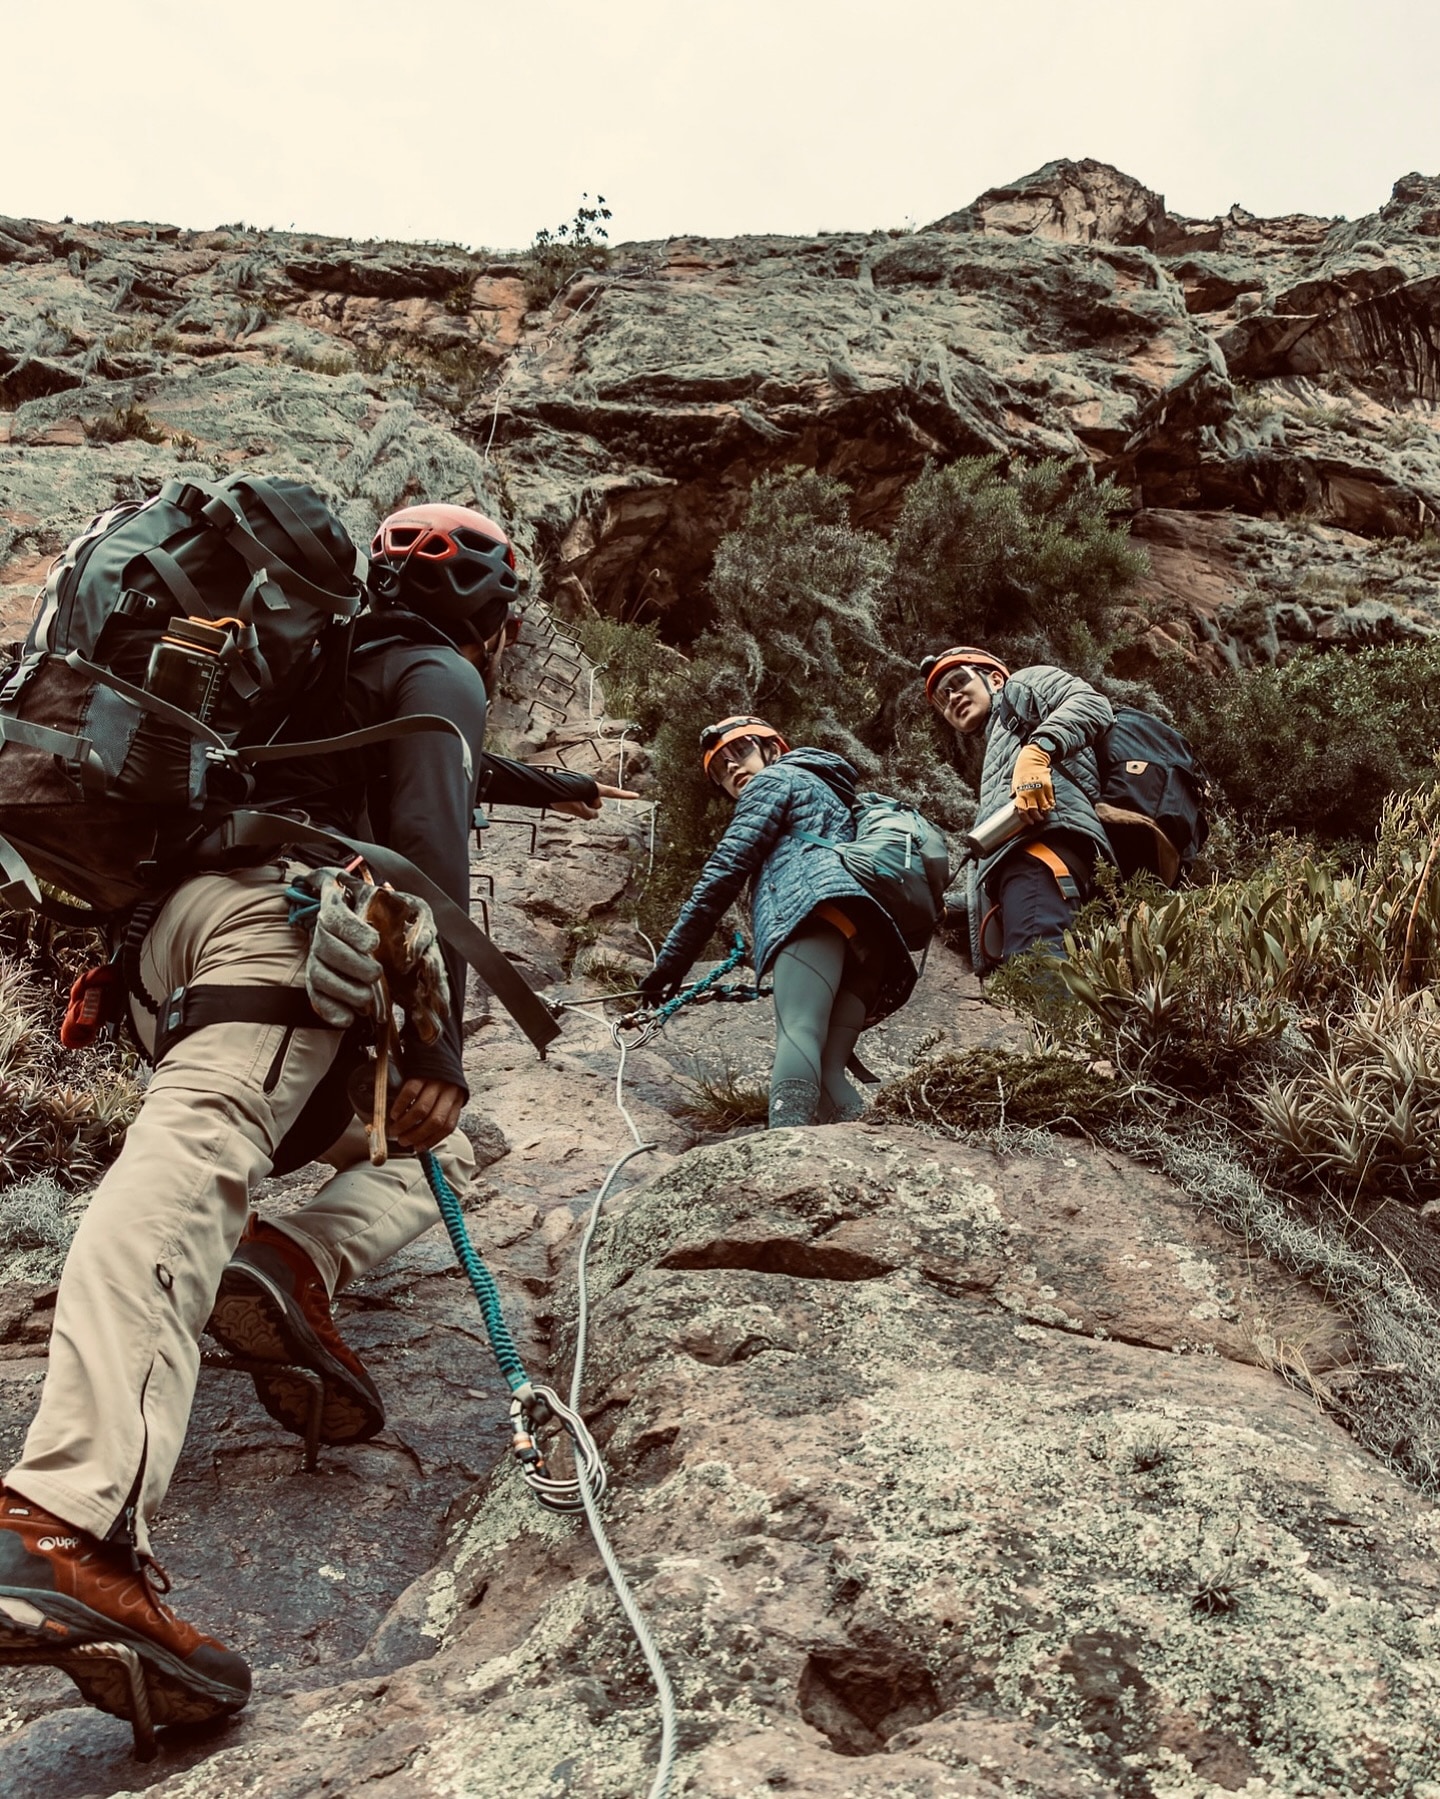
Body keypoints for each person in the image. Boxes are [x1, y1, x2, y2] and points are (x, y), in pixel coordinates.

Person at [0, 501, 628, 1735]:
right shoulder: (440, 668)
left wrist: (557, 785)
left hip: (162, 953)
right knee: (236, 1152)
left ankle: (288, 1259)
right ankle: (66, 1520)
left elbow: (410, 761)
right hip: (285, 928)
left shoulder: (303, 669)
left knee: (393, 1137)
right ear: (496, 620)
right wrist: (435, 1036)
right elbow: (428, 855)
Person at [637, 716, 916, 1128]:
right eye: (721, 768)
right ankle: (869, 1152)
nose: (732, 768)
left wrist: (672, 963)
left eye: (741, 752)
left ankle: (782, 1148)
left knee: (799, 1031)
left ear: (773, 749)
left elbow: (724, 870)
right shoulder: (830, 793)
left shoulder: (776, 780)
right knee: (827, 1068)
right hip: (867, 938)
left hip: (815, 916)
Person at [922, 646, 1113, 972]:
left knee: (1037, 973)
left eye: (957, 681)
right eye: (943, 698)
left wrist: (1038, 752)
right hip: (1034, 872)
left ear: (995, 678)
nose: (952, 698)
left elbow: (1094, 705)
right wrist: (941, 910)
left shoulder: (1022, 686)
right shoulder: (998, 746)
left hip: (1042, 857)